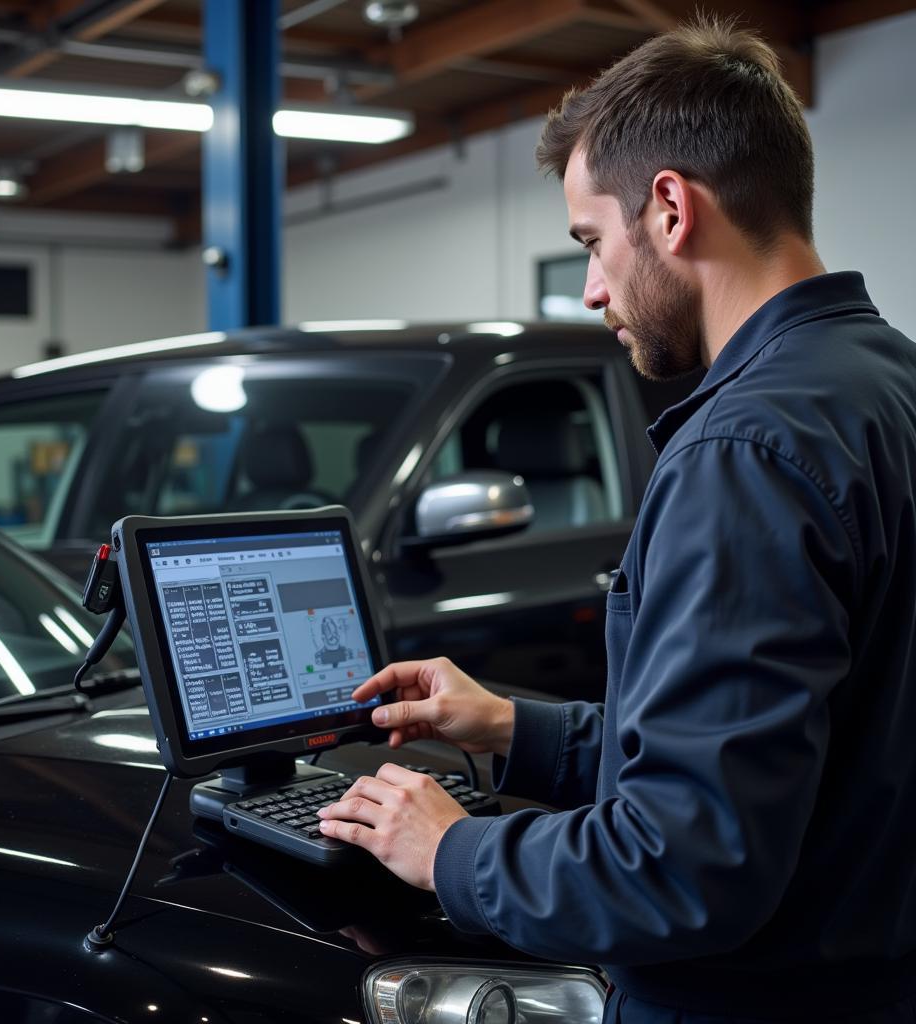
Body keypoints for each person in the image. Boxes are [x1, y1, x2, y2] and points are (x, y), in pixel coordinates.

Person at [318, 17, 916, 1023]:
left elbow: (684, 865)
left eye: (592, 242)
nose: (593, 288)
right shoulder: (886, 382)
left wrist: (449, 847)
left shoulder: (742, 453)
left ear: (670, 208)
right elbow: (789, 753)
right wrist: (516, 728)